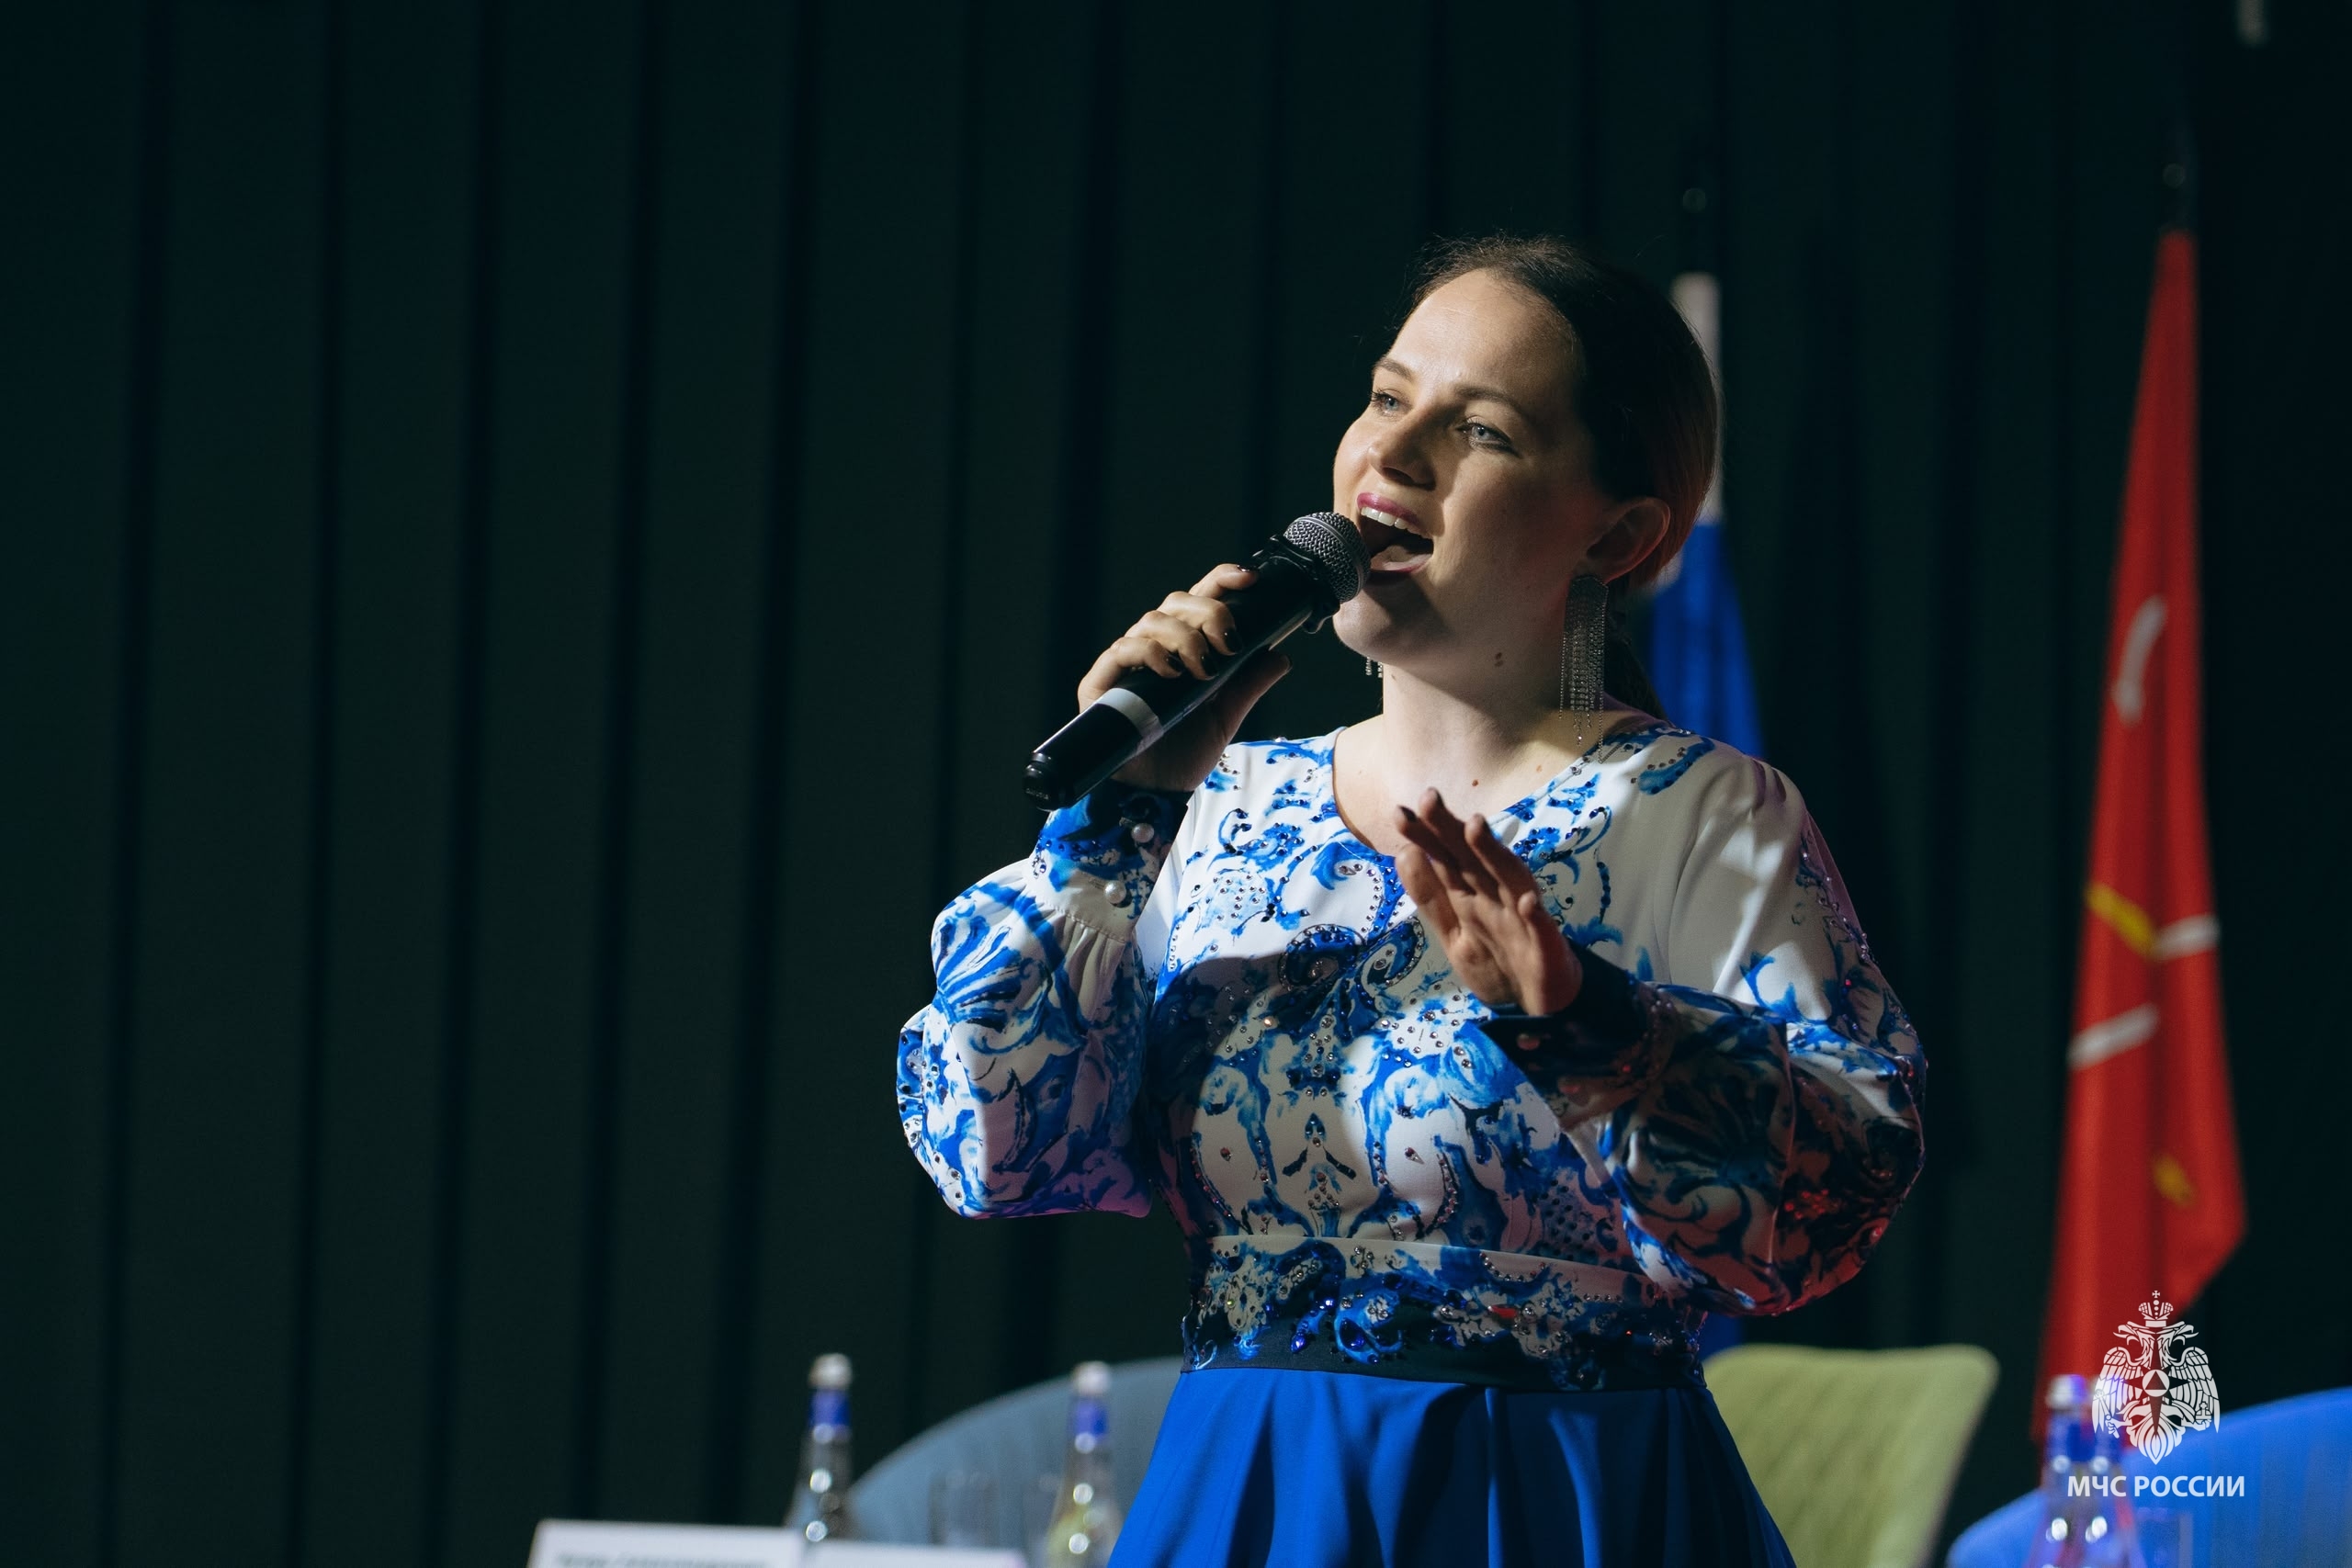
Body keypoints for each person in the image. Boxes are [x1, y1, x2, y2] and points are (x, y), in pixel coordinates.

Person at [897, 234, 1926, 1566]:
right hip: (1258, 1500)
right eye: (1389, 397)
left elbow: (1830, 1200)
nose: (1396, 451)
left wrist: (1591, 1023)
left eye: (1480, 429)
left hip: (1552, 1498)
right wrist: (1118, 820)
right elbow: (998, 1149)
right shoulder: (1219, 804)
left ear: (1619, 533)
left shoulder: (1697, 813)